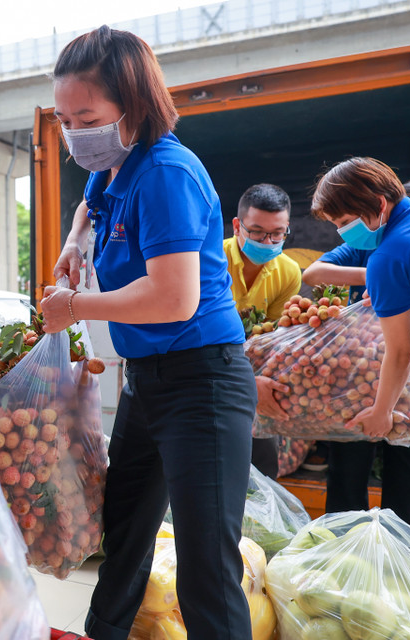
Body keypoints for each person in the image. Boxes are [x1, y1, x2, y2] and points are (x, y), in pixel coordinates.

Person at [41, 26, 257, 639]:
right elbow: (91, 208)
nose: (73, 133)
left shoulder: (166, 173)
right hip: (148, 383)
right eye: (63, 118)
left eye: (85, 117)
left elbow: (174, 296)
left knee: (206, 565)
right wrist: (74, 244)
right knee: (125, 535)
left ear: (132, 105)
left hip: (203, 384)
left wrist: (76, 304)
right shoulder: (111, 167)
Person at [309, 157, 410, 581]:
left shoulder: (388, 258)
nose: (342, 231)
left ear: (379, 205)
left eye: (344, 220)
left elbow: (399, 352)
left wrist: (380, 413)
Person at [225, 183, 302, 478]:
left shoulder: (288, 271)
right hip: (207, 374)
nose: (267, 241)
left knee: (264, 466)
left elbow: (272, 339)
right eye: (256, 232)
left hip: (255, 375)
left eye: (277, 233)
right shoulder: (211, 261)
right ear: (237, 226)